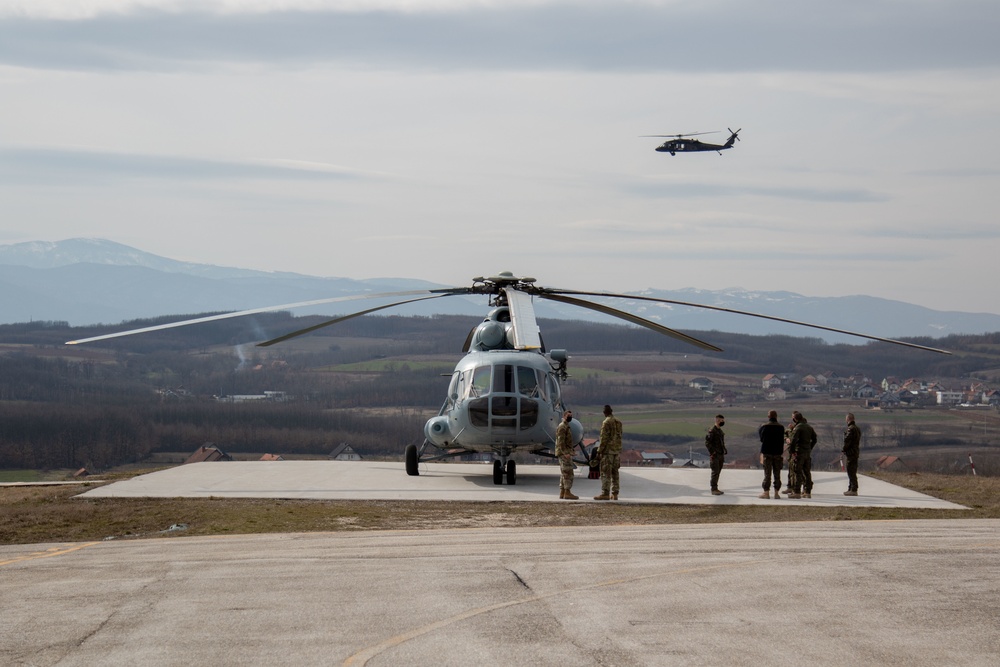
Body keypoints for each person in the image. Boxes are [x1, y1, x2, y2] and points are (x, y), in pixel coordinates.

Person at [593, 405, 623, 500]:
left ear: (604, 413)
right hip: (616, 451)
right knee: (615, 473)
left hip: (607, 452)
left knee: (606, 473)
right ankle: (615, 494)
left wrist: (599, 451)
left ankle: (605, 493)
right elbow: (619, 436)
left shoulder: (606, 422)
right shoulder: (618, 422)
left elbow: (604, 439)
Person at [788, 411, 817, 499]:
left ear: (795, 419)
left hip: (799, 452)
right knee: (807, 472)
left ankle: (797, 492)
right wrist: (809, 448)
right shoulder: (809, 427)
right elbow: (814, 439)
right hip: (807, 453)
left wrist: (792, 451)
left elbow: (793, 441)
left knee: (797, 471)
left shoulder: (798, 428)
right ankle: (807, 491)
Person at [757, 410, 784, 499]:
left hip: (767, 452)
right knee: (777, 473)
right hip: (777, 453)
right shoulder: (781, 427)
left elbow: (761, 439)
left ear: (768, 417)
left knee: (767, 473)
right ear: (776, 417)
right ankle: (776, 493)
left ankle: (766, 492)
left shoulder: (764, 426)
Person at [555, 410, 578, 500]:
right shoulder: (562, 427)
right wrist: (565, 453)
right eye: (569, 415)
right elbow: (561, 442)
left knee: (564, 473)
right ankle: (567, 492)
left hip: (565, 453)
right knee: (568, 473)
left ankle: (562, 492)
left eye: (571, 415)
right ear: (564, 416)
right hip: (564, 454)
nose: (570, 417)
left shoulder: (566, 426)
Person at [705, 414, 727, 495]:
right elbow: (707, 443)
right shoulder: (712, 431)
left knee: (718, 472)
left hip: (720, 454)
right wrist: (712, 452)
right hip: (715, 455)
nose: (723, 422)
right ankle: (713, 489)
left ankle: (716, 488)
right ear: (717, 420)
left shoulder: (719, 431)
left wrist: (724, 450)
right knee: (715, 472)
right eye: (722, 421)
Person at [842, 412, 861, 496]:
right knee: (853, 470)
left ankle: (853, 489)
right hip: (855, 451)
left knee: (851, 470)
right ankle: (851, 488)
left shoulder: (851, 429)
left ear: (848, 419)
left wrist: (844, 449)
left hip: (851, 452)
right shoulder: (857, 428)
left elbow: (847, 440)